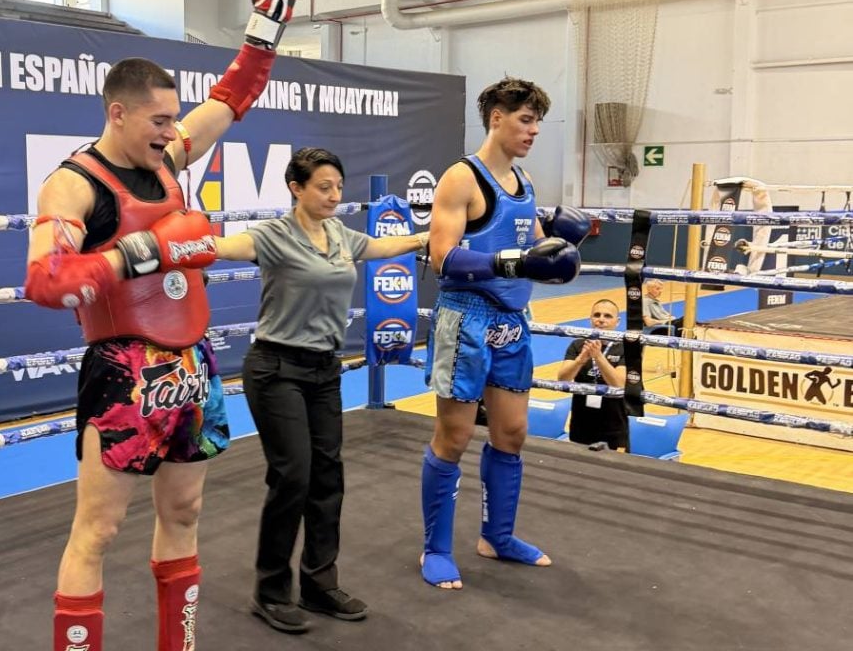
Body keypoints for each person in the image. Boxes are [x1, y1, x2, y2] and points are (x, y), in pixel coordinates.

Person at [24, 0, 313, 651]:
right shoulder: (75, 186)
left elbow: (233, 96)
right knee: (98, 529)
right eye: (157, 119)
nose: (170, 129)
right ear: (117, 114)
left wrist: (273, 11)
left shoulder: (168, 159)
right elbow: (45, 283)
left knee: (184, 512)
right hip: (123, 366)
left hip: (192, 361)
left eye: (172, 119)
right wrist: (137, 253)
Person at [212, 147, 428, 633]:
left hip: (323, 370)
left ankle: (318, 584)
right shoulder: (272, 236)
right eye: (323, 187)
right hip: (276, 368)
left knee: (328, 476)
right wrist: (176, 239)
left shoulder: (339, 234)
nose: (334, 195)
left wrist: (434, 233)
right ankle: (270, 591)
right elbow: (224, 248)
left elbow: (383, 247)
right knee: (293, 476)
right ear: (297, 187)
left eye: (337, 186)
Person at [420, 77, 589, 590]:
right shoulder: (461, 179)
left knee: (512, 433)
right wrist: (508, 260)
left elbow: (535, 247)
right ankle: (435, 548)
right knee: (453, 436)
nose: (534, 130)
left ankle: (497, 536)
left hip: (510, 324)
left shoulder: (524, 181)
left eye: (537, 120)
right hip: (465, 318)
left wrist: (560, 246)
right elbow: (442, 254)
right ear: (496, 117)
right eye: (526, 119)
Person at [558, 299, 630, 451]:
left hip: (613, 424)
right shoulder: (578, 345)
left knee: (610, 470)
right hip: (581, 422)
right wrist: (580, 360)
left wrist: (598, 357)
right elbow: (562, 379)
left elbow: (619, 384)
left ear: (617, 322)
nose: (601, 319)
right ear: (590, 319)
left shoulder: (626, 348)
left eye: (607, 316)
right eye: (597, 315)